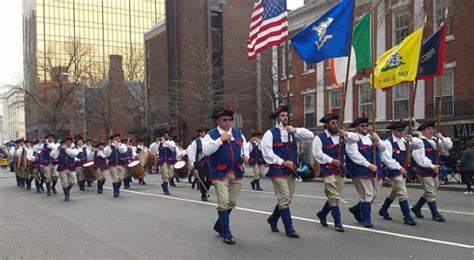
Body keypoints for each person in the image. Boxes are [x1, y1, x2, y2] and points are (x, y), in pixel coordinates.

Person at [262, 104, 314, 238]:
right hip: (278, 170)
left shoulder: (293, 132)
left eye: (286, 115)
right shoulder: (270, 133)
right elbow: (267, 153)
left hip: (291, 171)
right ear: (277, 118)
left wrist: (296, 130)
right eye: (282, 116)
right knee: (284, 197)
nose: (285, 118)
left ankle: (273, 219)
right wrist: (282, 162)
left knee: (287, 199)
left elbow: (310, 136)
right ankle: (289, 228)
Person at [202, 105, 249, 245]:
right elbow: (206, 151)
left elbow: (244, 147)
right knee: (223, 202)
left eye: (229, 120)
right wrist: (220, 140)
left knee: (232, 202)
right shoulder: (211, 135)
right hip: (220, 173)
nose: (228, 122)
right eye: (224, 120)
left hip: (236, 171)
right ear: (218, 121)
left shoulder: (238, 134)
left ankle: (219, 224)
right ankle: (226, 233)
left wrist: (245, 156)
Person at [312, 112, 356, 232]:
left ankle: (322, 214)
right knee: (333, 196)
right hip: (328, 170)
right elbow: (317, 154)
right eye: (333, 123)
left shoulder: (341, 136)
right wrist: (331, 160)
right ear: (326, 124)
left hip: (340, 170)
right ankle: (338, 222)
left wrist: (346, 133)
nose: (335, 125)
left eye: (337, 123)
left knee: (337, 197)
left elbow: (356, 139)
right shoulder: (319, 138)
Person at [345, 113, 387, 228]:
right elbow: (354, 155)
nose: (364, 128)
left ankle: (356, 209)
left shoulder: (371, 138)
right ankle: (366, 219)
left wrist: (377, 140)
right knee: (367, 194)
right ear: (357, 127)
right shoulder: (353, 139)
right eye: (362, 126)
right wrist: (368, 165)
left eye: (366, 125)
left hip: (374, 170)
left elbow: (383, 148)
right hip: (361, 170)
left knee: (374, 194)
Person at [378, 120, 419, 226]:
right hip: (394, 171)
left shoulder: (404, 141)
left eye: (402, 130)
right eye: (399, 130)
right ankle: (407, 216)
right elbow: (386, 158)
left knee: (394, 192)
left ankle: (383, 209)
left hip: (403, 170)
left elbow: (418, 146)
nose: (401, 132)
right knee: (402, 192)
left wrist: (412, 140)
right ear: (393, 131)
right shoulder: (388, 142)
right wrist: (398, 167)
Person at [411, 121, 453, 222]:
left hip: (434, 169)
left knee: (434, 187)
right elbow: (420, 158)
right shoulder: (419, 142)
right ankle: (435, 213)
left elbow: (448, 146)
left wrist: (442, 137)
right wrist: (431, 165)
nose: (431, 131)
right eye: (428, 129)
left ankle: (417, 207)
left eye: (432, 129)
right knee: (430, 191)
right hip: (424, 170)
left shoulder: (435, 140)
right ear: (423, 131)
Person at [51, 137, 80, 201]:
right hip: (62, 168)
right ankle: (66, 195)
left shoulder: (73, 149)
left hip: (71, 167)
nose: (69, 143)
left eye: (70, 142)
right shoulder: (59, 149)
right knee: (64, 182)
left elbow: (76, 155)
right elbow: (52, 155)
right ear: (64, 143)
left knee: (73, 181)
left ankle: (67, 190)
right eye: (67, 142)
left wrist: (66, 149)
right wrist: (58, 149)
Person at [187, 127, 211, 201]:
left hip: (209, 162)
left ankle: (205, 188)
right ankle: (203, 194)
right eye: (204, 132)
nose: (205, 134)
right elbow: (191, 151)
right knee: (202, 178)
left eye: (205, 132)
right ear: (200, 133)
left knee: (210, 177)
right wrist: (192, 162)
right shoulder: (196, 142)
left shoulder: (209, 141)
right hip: (200, 162)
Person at [104, 133, 128, 198]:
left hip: (121, 164)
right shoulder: (108, 147)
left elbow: (122, 151)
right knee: (115, 178)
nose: (117, 140)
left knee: (120, 178)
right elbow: (107, 154)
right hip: (112, 164)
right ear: (112, 140)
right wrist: (109, 146)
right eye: (116, 139)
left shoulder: (122, 145)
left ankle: (117, 189)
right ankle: (116, 192)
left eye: (118, 138)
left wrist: (118, 145)